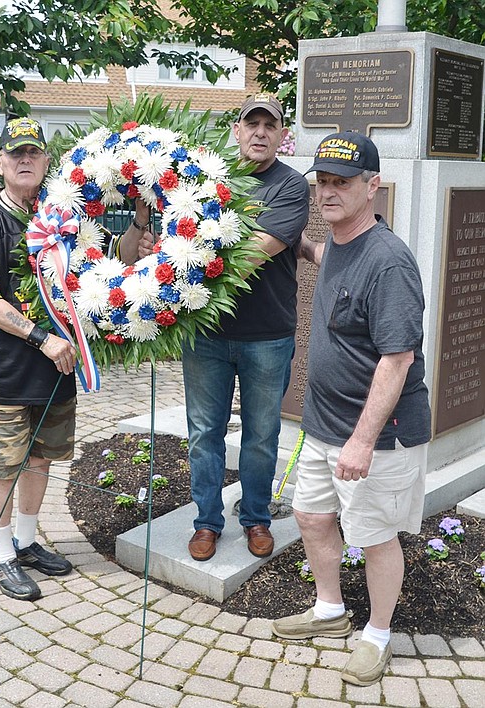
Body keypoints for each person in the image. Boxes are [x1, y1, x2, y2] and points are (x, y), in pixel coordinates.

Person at [0, 117, 150, 601]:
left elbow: (111, 258)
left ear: (46, 162)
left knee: (40, 458)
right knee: (3, 464)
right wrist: (41, 338)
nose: (24, 160)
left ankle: (24, 541)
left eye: (33, 153)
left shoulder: (62, 215)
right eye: (15, 153)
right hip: (3, 370)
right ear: (0, 162)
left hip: (56, 370)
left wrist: (141, 223)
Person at [272, 131, 431, 686]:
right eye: (323, 182)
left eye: (344, 182)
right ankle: (330, 611)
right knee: (312, 517)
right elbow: (320, 253)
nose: (329, 192)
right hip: (322, 427)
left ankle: (379, 633)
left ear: (373, 186)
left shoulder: (389, 264)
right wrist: (282, 240)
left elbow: (396, 360)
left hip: (376, 435)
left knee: (374, 534)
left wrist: (362, 441)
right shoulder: (338, 241)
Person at [181, 94, 310, 562]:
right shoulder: (204, 182)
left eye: (269, 125)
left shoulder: (291, 188)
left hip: (268, 335)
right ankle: (207, 522)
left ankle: (255, 517)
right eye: (250, 124)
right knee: (203, 432)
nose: (259, 132)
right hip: (206, 335)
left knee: (261, 434)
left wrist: (190, 259)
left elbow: (255, 251)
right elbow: (179, 234)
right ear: (236, 131)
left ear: (280, 135)